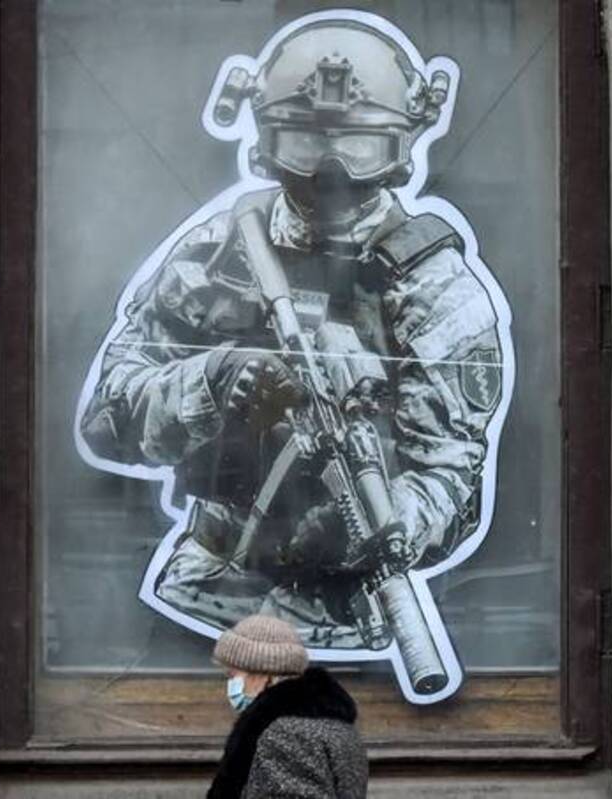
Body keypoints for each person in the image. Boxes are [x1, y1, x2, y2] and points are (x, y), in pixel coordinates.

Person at [79, 18, 505, 655]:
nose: (329, 171)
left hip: (350, 621)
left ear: (399, 145)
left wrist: (380, 526)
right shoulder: (221, 250)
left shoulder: (433, 284)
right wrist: (214, 379)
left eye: (359, 147)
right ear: (266, 140)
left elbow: (450, 471)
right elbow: (106, 418)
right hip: (202, 596)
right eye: (303, 144)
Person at [207, 614, 368, 799]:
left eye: (232, 675)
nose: (230, 684)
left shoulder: (285, 734)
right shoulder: (338, 727)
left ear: (262, 674)